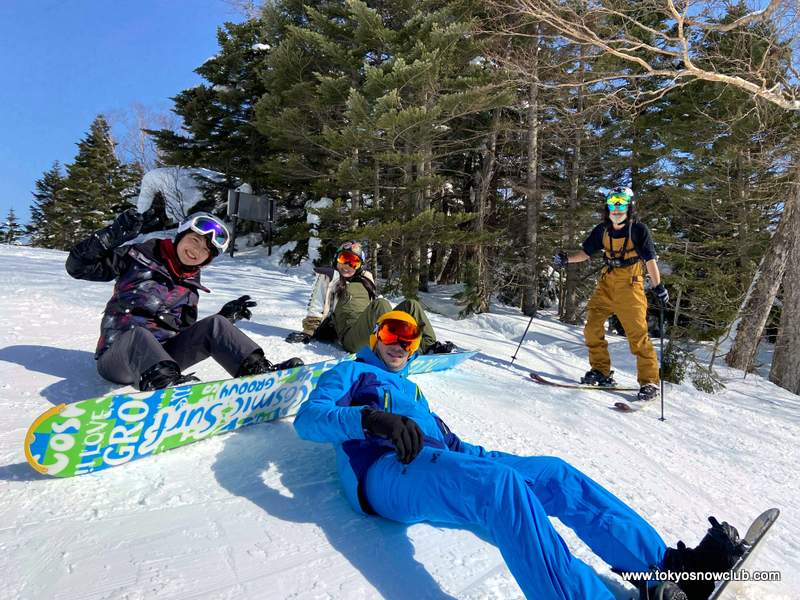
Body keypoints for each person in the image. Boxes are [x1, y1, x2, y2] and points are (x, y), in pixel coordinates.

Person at [294, 310, 744, 600]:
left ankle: (670, 570)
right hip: (381, 471)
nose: (400, 343)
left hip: (435, 460)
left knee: (553, 474)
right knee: (500, 489)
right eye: (393, 331)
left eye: (409, 339)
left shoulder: (411, 388)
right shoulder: (350, 372)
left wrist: (477, 454)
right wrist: (371, 420)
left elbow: (447, 445)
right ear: (376, 335)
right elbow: (309, 420)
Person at [66, 208, 303, 391]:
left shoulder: (190, 289)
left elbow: (187, 335)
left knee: (216, 325)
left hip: (164, 359)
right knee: (139, 334)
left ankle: (260, 373)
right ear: (181, 235)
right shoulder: (136, 256)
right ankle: (168, 388)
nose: (196, 250)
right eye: (195, 240)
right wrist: (112, 235)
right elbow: (77, 267)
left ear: (206, 260)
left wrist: (224, 320)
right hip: (119, 357)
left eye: (205, 250)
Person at [554, 186, 668, 401]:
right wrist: (566, 259)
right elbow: (585, 253)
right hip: (607, 283)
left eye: (621, 202)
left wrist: (658, 286)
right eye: (612, 202)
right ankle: (600, 371)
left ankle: (649, 382)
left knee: (637, 335)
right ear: (607, 207)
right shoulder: (602, 230)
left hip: (631, 285)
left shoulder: (638, 230)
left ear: (629, 205)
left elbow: (650, 260)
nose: (616, 207)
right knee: (592, 327)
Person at [285, 241, 454, 354]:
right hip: (351, 336)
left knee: (412, 305)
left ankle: (428, 346)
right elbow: (316, 305)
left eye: (354, 262)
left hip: (373, 328)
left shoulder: (366, 279)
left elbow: (375, 305)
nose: (347, 266)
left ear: (360, 266)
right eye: (344, 259)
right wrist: (307, 333)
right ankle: (392, 346)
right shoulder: (330, 277)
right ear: (336, 258)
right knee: (381, 304)